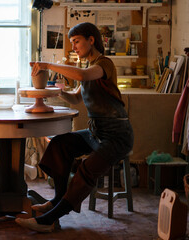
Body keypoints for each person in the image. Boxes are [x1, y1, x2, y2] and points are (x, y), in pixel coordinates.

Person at [15, 22, 134, 233]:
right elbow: (77, 98)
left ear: (91, 39)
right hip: (96, 132)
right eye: (72, 43)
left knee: (86, 170)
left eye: (76, 41)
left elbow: (82, 76)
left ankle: (49, 219)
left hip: (117, 137)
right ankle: (58, 200)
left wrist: (47, 65)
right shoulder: (89, 68)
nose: (74, 47)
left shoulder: (104, 64)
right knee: (61, 144)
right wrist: (57, 91)